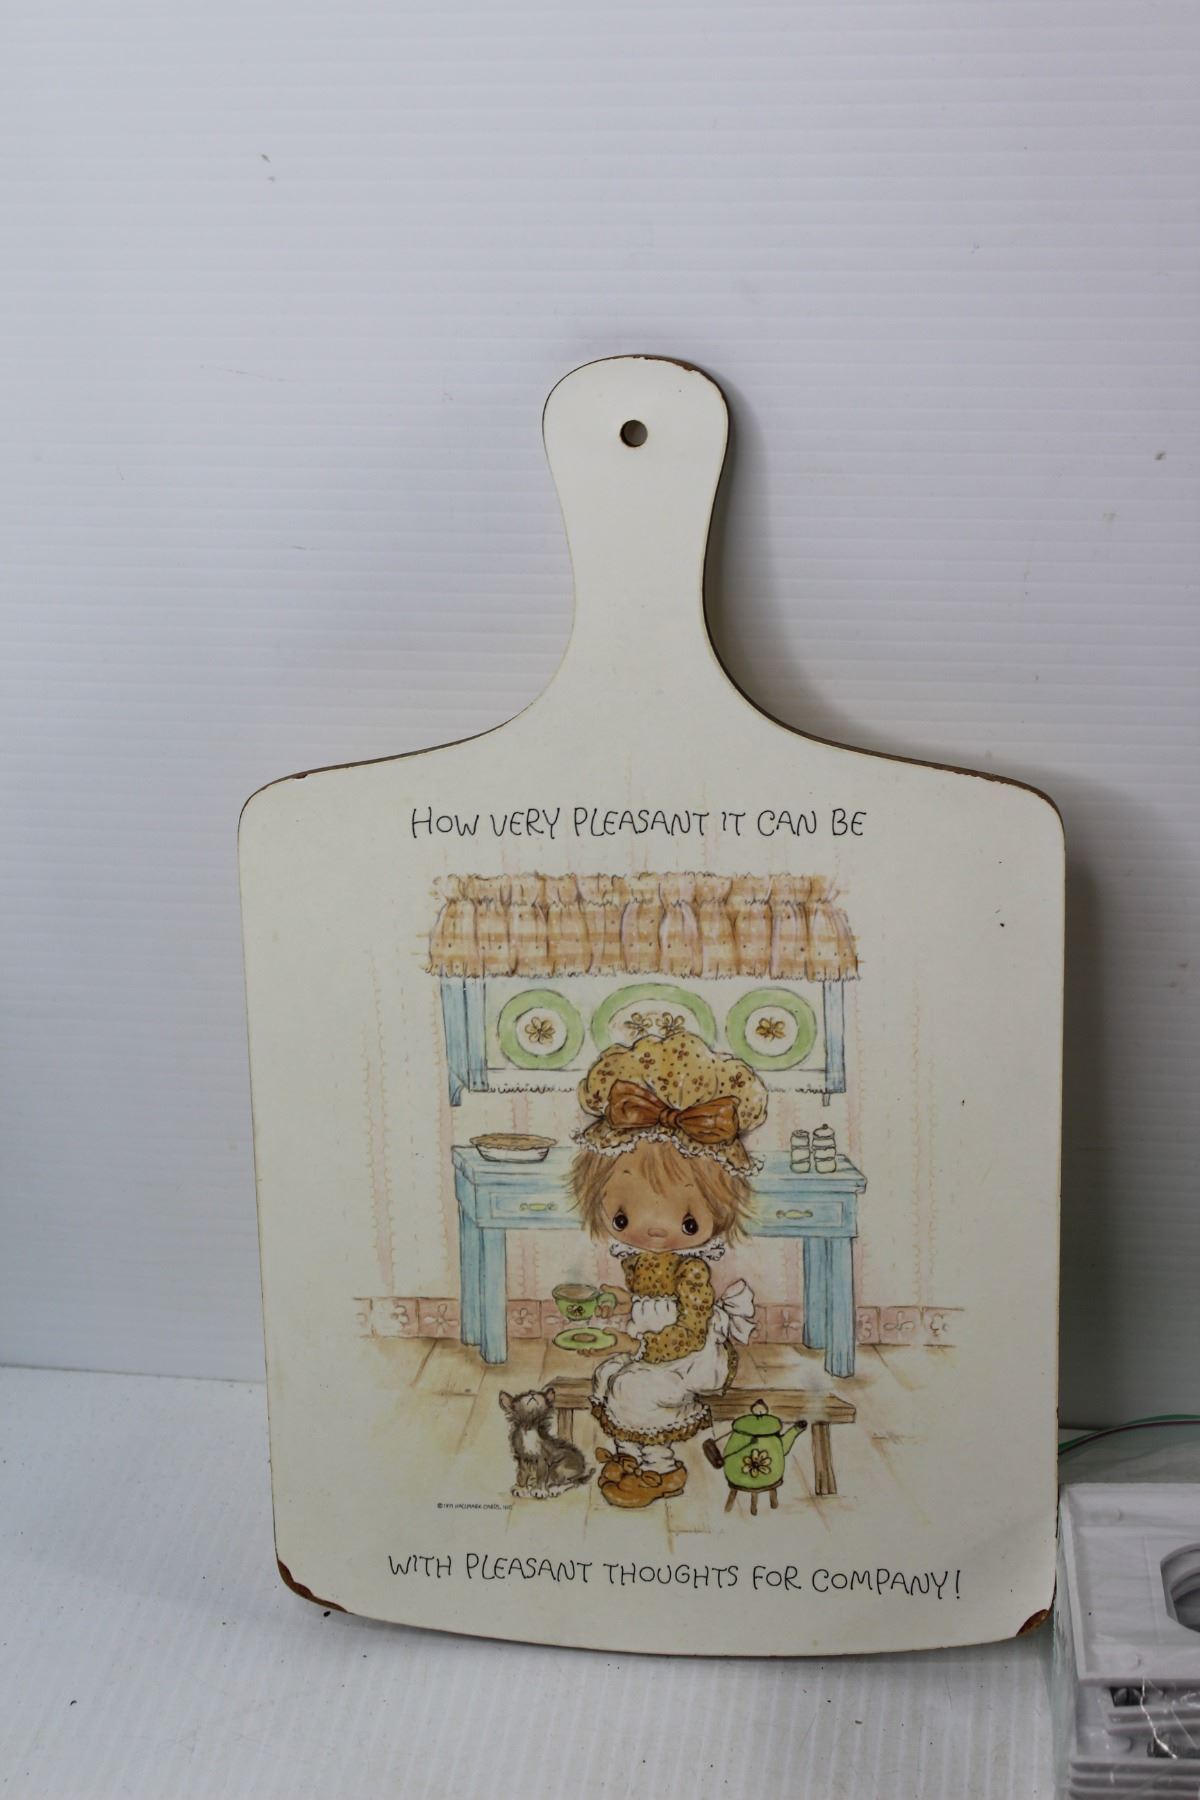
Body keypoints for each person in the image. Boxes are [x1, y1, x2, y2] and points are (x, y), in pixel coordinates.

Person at [569, 1022, 766, 1509]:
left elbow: (692, 1329)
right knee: (609, 1375)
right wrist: (615, 1304)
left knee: (636, 1388)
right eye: (623, 1216)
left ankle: (662, 1469)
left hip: (693, 1357)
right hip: (658, 1350)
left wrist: (647, 1347)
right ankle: (629, 1455)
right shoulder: (640, 1263)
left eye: (686, 1220)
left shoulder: (691, 1272)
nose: (655, 1231)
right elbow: (646, 1302)